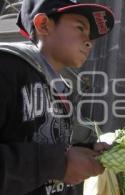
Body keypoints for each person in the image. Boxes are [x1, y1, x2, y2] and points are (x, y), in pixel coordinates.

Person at [0, 0, 114, 194]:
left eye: (91, 36)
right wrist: (58, 162)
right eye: (80, 28)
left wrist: (84, 149)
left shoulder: (61, 90)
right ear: (44, 25)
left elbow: (39, 141)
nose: (89, 42)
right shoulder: (7, 69)